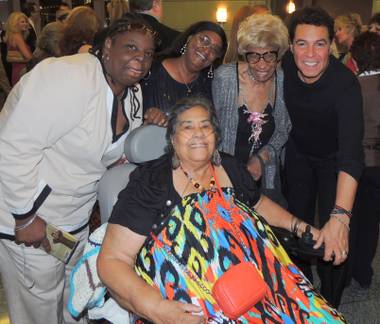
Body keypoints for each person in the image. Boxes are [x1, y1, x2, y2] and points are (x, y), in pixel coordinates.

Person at [97, 96, 345, 323]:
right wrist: (156, 308)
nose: (198, 134)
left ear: (216, 135)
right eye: (187, 126)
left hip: (263, 282)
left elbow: (259, 203)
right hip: (197, 302)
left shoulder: (230, 166)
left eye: (206, 126)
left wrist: (300, 226)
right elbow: (112, 261)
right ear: (172, 138)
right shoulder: (151, 182)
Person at [0, 15, 157, 324]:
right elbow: (12, 146)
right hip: (29, 218)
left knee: (74, 301)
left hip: (74, 222)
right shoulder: (67, 76)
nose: (140, 58)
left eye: (148, 53)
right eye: (131, 47)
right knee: (39, 311)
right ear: (108, 46)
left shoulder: (133, 94)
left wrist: (148, 127)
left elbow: (107, 154)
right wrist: (25, 214)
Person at [282, 7, 364, 307]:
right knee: (297, 227)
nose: (310, 53)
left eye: (320, 43)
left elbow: (352, 155)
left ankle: (330, 302)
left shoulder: (345, 85)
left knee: (335, 232)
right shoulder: (284, 66)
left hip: (334, 161)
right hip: (299, 155)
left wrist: (341, 217)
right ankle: (302, 290)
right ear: (291, 46)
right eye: (302, 43)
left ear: (331, 45)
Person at [213, 14, 291, 206]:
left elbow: (283, 128)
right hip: (225, 174)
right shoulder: (226, 78)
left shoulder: (282, 80)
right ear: (244, 52)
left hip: (266, 176)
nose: (262, 64)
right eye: (254, 55)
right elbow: (212, 127)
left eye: (269, 55)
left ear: (279, 53)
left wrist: (261, 158)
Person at [142, 21, 227, 126]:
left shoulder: (209, 87)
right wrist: (149, 116)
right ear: (189, 38)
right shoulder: (150, 71)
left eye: (214, 50)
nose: (207, 50)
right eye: (204, 40)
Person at [349, 31, 380, 289]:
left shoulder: (352, 87)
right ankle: (364, 270)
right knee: (372, 220)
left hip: (356, 163)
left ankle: (345, 270)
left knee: (351, 217)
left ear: (355, 59)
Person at [4, 11, 32, 86]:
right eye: (22, 22)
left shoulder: (11, 36)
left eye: (26, 21)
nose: (25, 24)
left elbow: (9, 57)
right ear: (15, 23)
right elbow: (29, 57)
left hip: (15, 71)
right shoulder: (17, 37)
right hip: (22, 71)